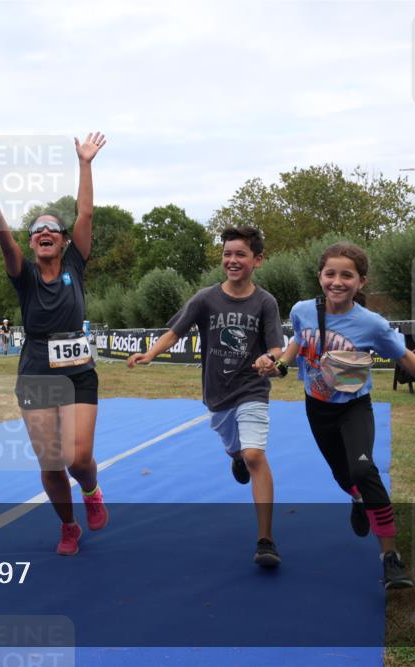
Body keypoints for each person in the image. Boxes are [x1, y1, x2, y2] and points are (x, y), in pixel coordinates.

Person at [263, 241, 415, 588]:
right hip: (317, 407)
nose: (337, 281)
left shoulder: (371, 323)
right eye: (331, 274)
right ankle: (356, 497)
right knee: (344, 477)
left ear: (361, 282)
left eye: (347, 275)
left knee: (363, 468)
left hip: (354, 407)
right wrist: (281, 365)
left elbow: (405, 357)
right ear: (320, 277)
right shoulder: (302, 310)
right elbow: (298, 340)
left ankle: (390, 557)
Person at [0, 132, 107, 556]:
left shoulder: (75, 265)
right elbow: (2, 239)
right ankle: (68, 526)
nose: (45, 231)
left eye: (53, 228)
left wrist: (85, 162)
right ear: (31, 241)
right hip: (36, 371)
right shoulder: (24, 274)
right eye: (37, 228)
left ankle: (92, 490)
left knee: (77, 459)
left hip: (78, 370)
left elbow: (85, 212)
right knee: (50, 463)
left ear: (64, 240)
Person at [128, 226, 284, 568]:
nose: (232, 260)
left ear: (257, 260)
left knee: (256, 455)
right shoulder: (205, 298)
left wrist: (270, 360)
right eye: (227, 253)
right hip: (217, 397)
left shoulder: (265, 302)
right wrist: (150, 354)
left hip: (252, 390)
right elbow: (175, 332)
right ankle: (235, 456)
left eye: (240, 254)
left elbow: (276, 346)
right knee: (238, 450)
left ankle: (266, 540)